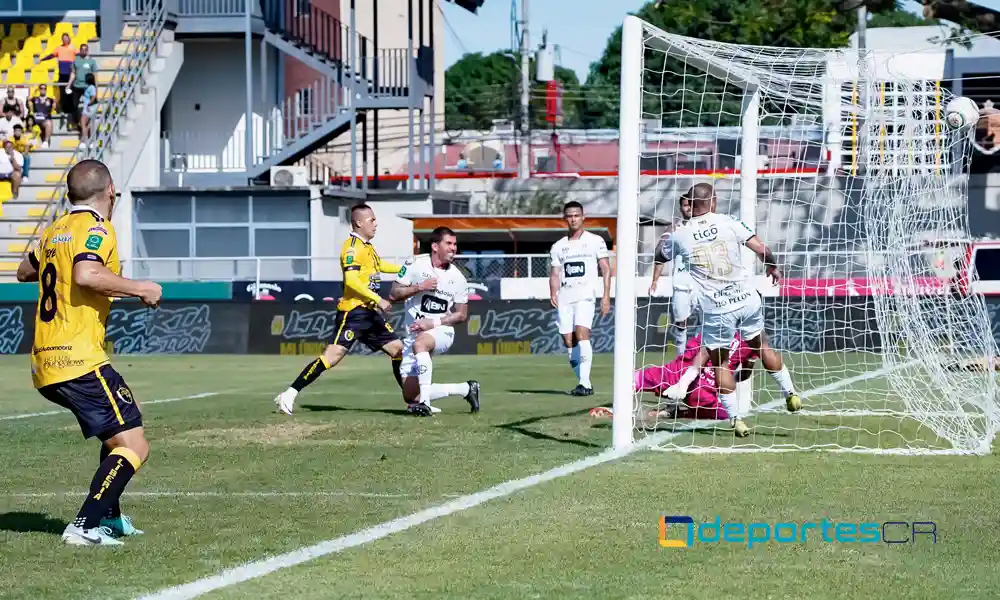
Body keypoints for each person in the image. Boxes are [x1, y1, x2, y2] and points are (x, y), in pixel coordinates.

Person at [15, 159, 163, 545]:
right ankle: (84, 526)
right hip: (78, 358)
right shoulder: (97, 227)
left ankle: (109, 518)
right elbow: (86, 273)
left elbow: (23, 271)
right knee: (135, 445)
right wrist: (141, 287)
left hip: (45, 361)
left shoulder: (54, 231)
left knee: (121, 433)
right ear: (110, 191)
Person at [663, 182, 801, 436]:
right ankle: (790, 393)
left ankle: (736, 420)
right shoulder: (729, 221)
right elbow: (762, 249)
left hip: (717, 307)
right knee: (762, 346)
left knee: (721, 363)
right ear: (713, 202)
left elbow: (662, 255)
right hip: (747, 298)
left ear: (691, 205)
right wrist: (772, 267)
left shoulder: (680, 233)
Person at [274, 204, 406, 415]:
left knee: (398, 350)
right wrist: (378, 299)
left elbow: (380, 265)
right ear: (359, 223)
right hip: (353, 313)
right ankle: (289, 394)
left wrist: (407, 268)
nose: (376, 223)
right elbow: (352, 281)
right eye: (372, 220)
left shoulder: (368, 246)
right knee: (332, 357)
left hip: (370, 313)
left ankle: (413, 401)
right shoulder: (351, 247)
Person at [389, 226, 480, 416]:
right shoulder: (415, 264)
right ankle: (466, 389)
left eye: (455, 244)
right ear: (435, 246)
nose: (453, 248)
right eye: (449, 243)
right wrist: (420, 287)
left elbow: (461, 315)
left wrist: (433, 323)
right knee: (410, 396)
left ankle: (425, 403)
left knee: (422, 342)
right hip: (412, 334)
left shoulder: (458, 278)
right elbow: (394, 294)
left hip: (442, 330)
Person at [548, 201, 612, 396]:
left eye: (577, 215)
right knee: (568, 341)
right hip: (565, 296)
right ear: (565, 218)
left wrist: (606, 295)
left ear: (583, 217)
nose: (573, 219)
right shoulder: (558, 246)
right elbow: (555, 273)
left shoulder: (595, 241)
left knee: (582, 334)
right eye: (570, 216)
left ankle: (584, 383)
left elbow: (606, 269)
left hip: (585, 295)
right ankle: (586, 382)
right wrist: (553, 292)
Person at [633, 334, 758, 421]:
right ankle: (678, 413)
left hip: (680, 372)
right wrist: (725, 380)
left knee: (636, 380)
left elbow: (699, 350)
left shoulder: (720, 317)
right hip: (705, 392)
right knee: (725, 414)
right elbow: (746, 373)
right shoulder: (755, 337)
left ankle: (619, 409)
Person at [650, 193, 702, 357]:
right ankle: (681, 357)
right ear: (681, 208)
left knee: (708, 323)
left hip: (703, 284)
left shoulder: (705, 226)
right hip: (681, 284)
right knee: (681, 323)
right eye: (685, 205)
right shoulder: (674, 228)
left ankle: (701, 357)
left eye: (691, 204)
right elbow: (660, 254)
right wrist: (654, 280)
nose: (689, 208)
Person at [40, 33, 77, 125]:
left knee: (70, 93)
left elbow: (79, 56)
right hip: (62, 74)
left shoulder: (73, 48)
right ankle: (64, 110)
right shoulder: (59, 48)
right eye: (63, 38)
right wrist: (43, 59)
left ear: (69, 39)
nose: (65, 40)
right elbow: (51, 55)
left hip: (70, 74)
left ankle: (71, 113)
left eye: (66, 38)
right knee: (62, 92)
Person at [77, 73, 98, 148]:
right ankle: (90, 141)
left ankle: (84, 141)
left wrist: (88, 104)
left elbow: (93, 97)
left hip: (88, 108)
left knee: (83, 124)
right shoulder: (90, 87)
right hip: (89, 108)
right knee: (88, 125)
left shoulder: (91, 87)